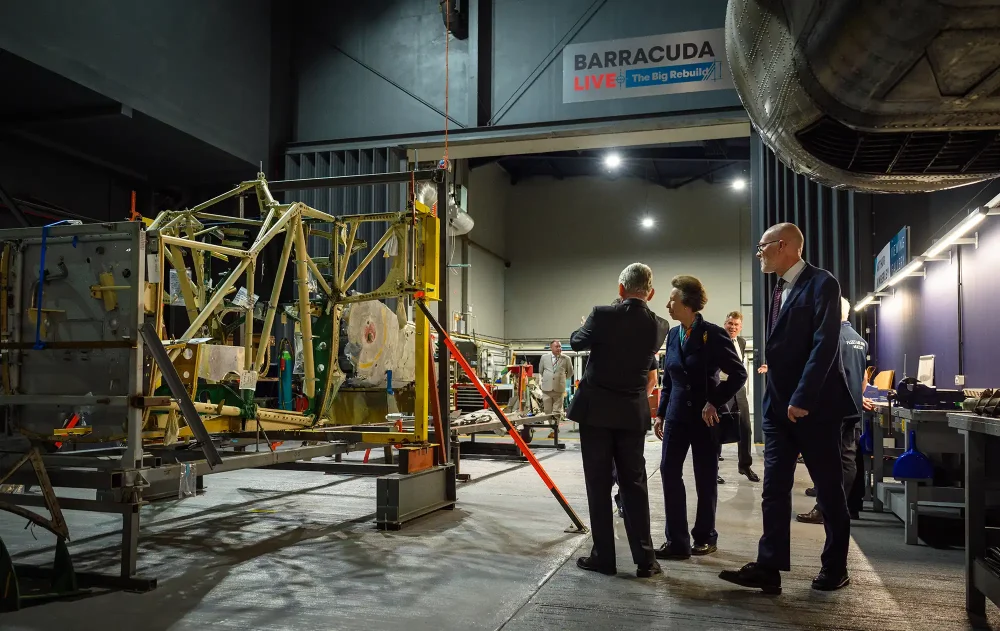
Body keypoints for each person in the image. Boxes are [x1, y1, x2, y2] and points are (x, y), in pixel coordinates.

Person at [719, 223, 859, 594]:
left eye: (762, 247)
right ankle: (770, 567)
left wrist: (803, 397)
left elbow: (824, 345)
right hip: (778, 410)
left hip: (814, 409)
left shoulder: (822, 283)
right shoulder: (779, 287)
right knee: (774, 490)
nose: (759, 253)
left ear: (783, 246)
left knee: (829, 492)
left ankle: (835, 568)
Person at [569, 262, 669, 578]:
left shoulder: (602, 315)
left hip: (596, 412)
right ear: (651, 293)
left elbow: (576, 342)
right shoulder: (660, 325)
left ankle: (604, 557)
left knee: (598, 484)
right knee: (634, 483)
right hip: (632, 413)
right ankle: (646, 560)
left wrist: (587, 326)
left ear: (621, 289)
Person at [654, 276, 746, 560]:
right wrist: (660, 413)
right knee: (669, 472)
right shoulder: (672, 335)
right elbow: (668, 379)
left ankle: (705, 536)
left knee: (705, 478)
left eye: (672, 300)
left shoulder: (714, 334)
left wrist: (713, 403)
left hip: (706, 420)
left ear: (688, 304)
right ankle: (677, 542)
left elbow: (738, 374)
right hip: (676, 416)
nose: (667, 304)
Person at [797, 298, 869, 523]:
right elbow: (865, 378)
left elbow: (820, 374)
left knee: (827, 461)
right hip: (854, 408)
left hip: (832, 409)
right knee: (848, 459)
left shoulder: (829, 338)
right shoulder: (860, 341)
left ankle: (825, 508)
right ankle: (841, 506)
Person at [718, 311, 760, 483]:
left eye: (736, 325)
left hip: (739, 389)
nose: (732, 327)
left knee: (745, 427)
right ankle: (714, 469)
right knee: (718, 428)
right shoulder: (717, 341)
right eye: (730, 323)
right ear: (724, 324)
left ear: (741, 327)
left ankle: (745, 465)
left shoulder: (741, 342)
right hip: (721, 388)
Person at [538, 340, 573, 418]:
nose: (559, 348)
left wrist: (561, 379)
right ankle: (551, 427)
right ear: (551, 347)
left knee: (557, 411)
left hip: (559, 388)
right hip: (547, 389)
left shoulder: (566, 359)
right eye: (556, 347)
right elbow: (541, 371)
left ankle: (555, 428)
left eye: (560, 346)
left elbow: (570, 372)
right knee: (547, 411)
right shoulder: (544, 357)